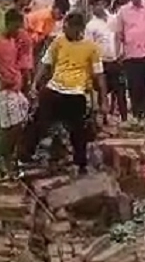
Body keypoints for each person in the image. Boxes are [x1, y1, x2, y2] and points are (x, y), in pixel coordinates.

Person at [24, 12, 106, 173]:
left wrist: (103, 100)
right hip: (54, 89)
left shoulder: (91, 48)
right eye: (65, 27)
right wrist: (35, 83)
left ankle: (80, 163)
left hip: (76, 93)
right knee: (38, 122)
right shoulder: (58, 41)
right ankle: (26, 156)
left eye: (69, 28)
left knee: (78, 130)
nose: (66, 31)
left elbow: (99, 75)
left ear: (79, 29)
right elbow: (45, 63)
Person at [0, 9, 32, 175]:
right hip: (5, 91)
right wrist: (0, 78)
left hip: (16, 89)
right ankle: (5, 162)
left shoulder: (13, 40)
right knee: (10, 127)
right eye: (16, 27)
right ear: (9, 23)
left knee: (22, 122)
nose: (18, 30)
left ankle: (12, 158)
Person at [85, 0, 127, 122]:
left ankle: (124, 119)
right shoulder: (91, 26)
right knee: (102, 90)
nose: (98, 7)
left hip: (116, 59)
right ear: (91, 7)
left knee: (120, 90)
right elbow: (89, 46)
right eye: (95, 5)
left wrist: (122, 52)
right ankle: (104, 118)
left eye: (100, 4)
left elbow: (121, 36)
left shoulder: (114, 19)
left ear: (104, 4)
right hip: (101, 61)